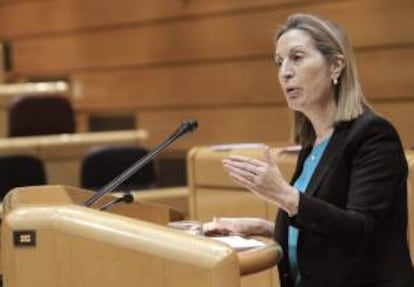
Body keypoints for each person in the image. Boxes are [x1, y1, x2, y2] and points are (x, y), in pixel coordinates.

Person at [204, 13, 414, 287]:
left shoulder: (373, 136)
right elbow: (321, 226)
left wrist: (282, 194)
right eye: (279, 62)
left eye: (297, 58)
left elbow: (359, 231)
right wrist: (261, 227)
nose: (285, 72)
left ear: (336, 65)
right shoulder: (314, 143)